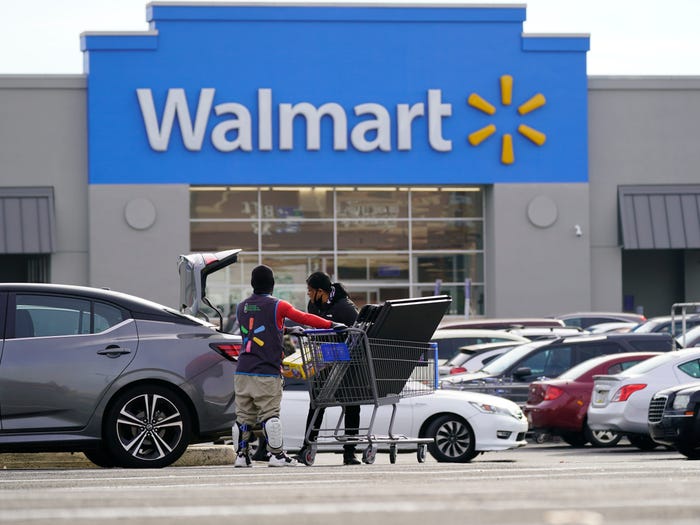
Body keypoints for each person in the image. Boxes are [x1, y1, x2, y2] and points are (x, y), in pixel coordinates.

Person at [232, 265, 344, 468]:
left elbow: (260, 330)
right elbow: (305, 317)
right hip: (266, 371)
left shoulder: (242, 307)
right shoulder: (278, 305)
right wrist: (332, 325)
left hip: (242, 370)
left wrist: (289, 329)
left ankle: (241, 455)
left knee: (243, 417)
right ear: (272, 285)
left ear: (252, 284)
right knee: (270, 415)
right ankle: (277, 455)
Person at [298, 271, 361, 465]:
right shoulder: (313, 306)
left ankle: (350, 452)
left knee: (351, 405)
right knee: (316, 403)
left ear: (321, 291)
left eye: (310, 291)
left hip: (348, 364)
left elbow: (358, 336)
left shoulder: (345, 308)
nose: (308, 294)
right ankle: (307, 448)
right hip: (324, 361)